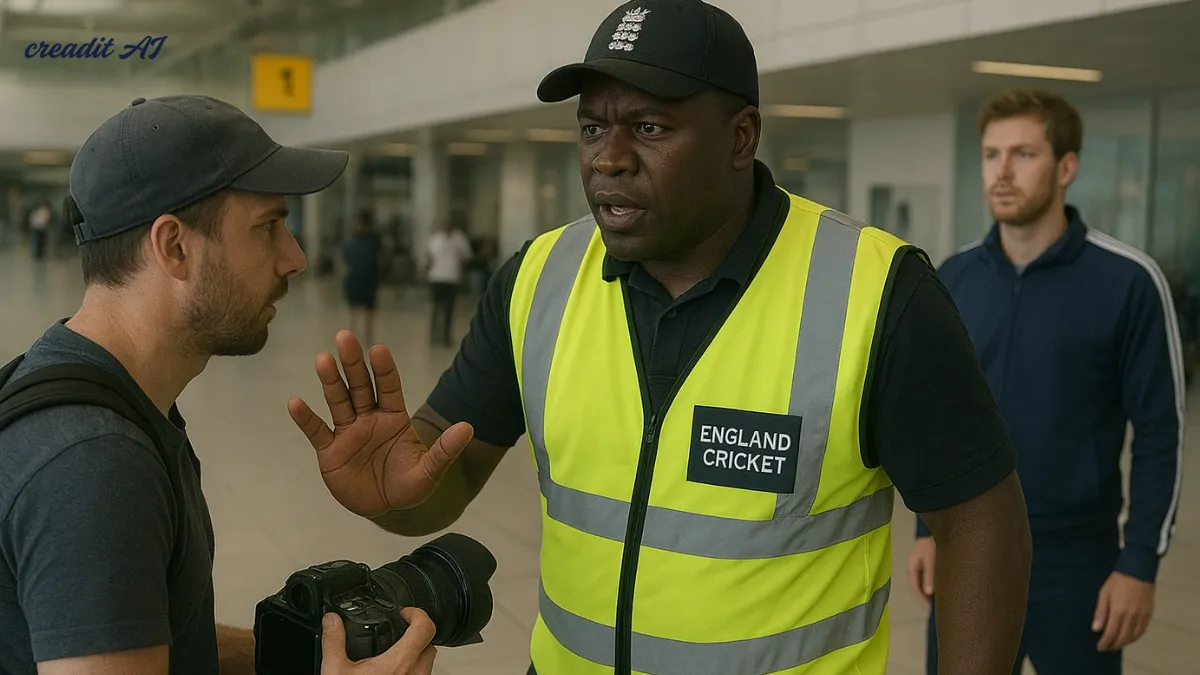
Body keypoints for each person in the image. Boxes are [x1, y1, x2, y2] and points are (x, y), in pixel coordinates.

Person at [288, 2, 1033, 674]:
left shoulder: (876, 292)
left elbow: (979, 520)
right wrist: (394, 498)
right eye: (591, 127)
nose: (607, 158)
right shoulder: (540, 279)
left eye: (649, 127)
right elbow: (441, 478)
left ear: (741, 138)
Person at [0, 95, 438, 675]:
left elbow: (144, 631)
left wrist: (290, 656)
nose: (296, 258)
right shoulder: (94, 460)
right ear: (174, 246)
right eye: (269, 228)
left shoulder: (88, 390)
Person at [909, 88, 1187, 675]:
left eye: (1023, 154)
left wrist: (1139, 564)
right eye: (990, 154)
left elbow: (1162, 433)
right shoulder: (954, 277)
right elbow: (938, 420)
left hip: (1078, 560)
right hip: (972, 551)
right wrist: (927, 527)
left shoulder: (1128, 282)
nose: (1002, 172)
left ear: (1066, 167)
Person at [423, 218, 473, 346]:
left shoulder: (459, 239)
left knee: (449, 309)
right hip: (436, 278)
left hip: (451, 278)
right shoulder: (435, 239)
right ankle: (433, 336)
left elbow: (466, 257)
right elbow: (429, 258)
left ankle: (446, 336)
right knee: (436, 308)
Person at [342, 209, 384, 347]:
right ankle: (352, 337)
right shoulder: (352, 241)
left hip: (369, 279)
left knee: (369, 310)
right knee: (354, 310)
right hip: (355, 279)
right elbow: (346, 260)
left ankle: (368, 337)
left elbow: (379, 258)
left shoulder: (373, 241)